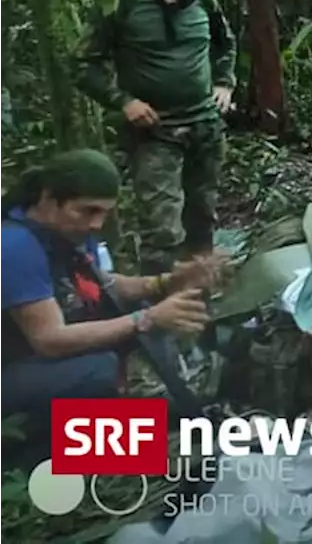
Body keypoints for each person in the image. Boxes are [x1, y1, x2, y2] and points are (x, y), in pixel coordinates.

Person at [0, 150, 217, 461]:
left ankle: (156, 427)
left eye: (104, 213)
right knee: (98, 370)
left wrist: (167, 282)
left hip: (31, 363)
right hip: (13, 369)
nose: (96, 223)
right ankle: (41, 455)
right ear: (49, 198)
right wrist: (146, 318)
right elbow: (49, 340)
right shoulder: (13, 246)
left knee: (137, 315)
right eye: (87, 211)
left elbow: (101, 284)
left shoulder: (63, 230)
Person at [74, 0, 236, 276]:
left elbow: (226, 45)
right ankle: (161, 313)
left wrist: (224, 83)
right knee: (162, 232)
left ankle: (200, 304)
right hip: (155, 133)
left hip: (205, 128)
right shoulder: (123, 3)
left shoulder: (203, 2)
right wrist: (123, 101)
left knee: (203, 218)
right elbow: (83, 64)